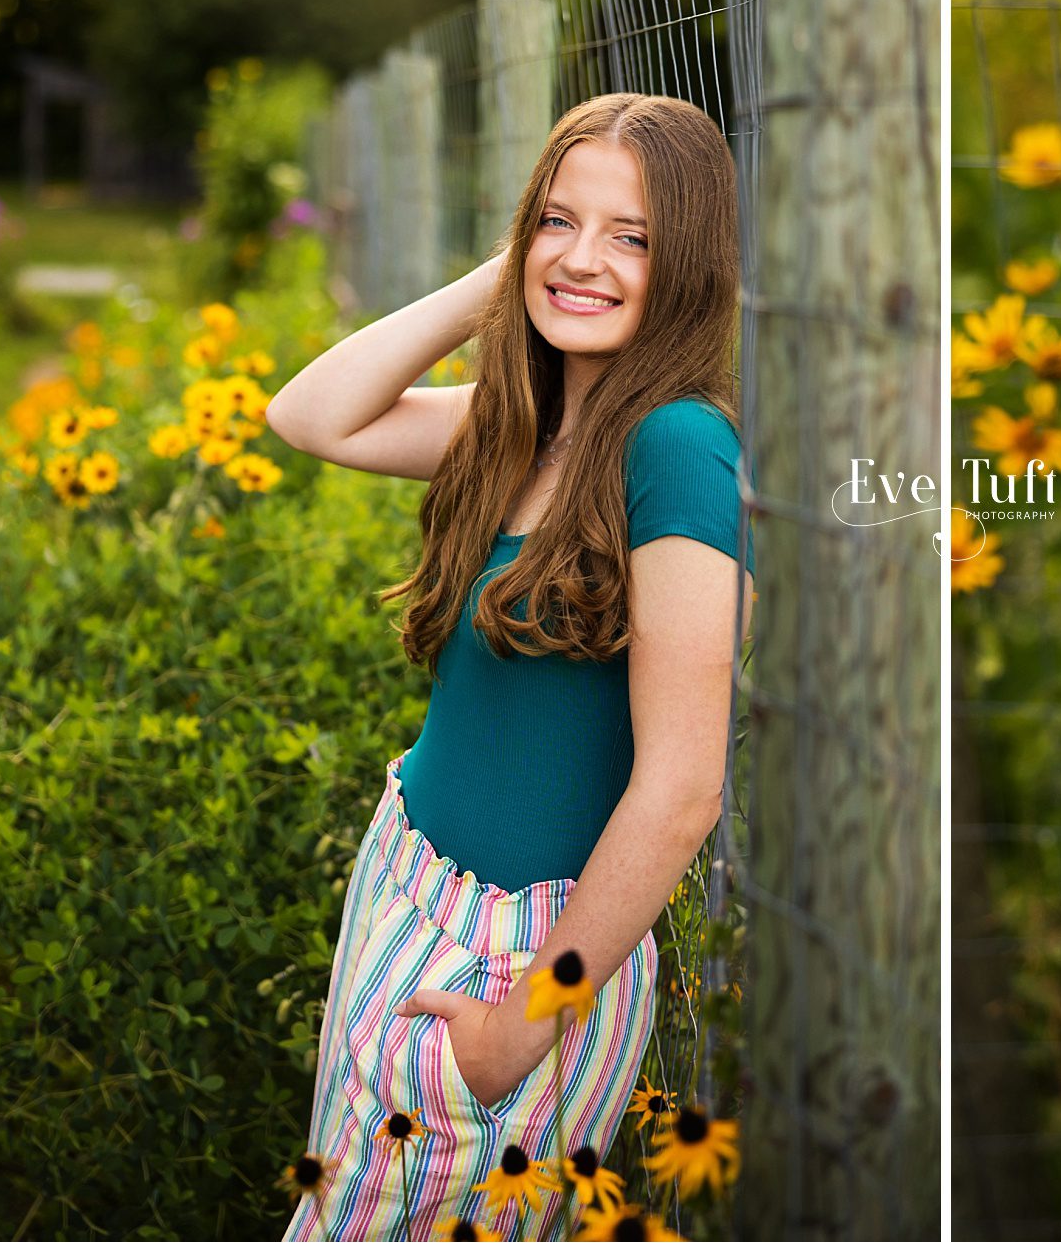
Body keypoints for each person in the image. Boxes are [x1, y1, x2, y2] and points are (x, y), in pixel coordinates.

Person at [267, 93, 755, 1239]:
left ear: (687, 263)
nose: (584, 259)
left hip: (516, 955)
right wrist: (514, 276)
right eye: (559, 218)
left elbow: (682, 790)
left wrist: (523, 1022)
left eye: (629, 236)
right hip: (408, 880)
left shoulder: (676, 446)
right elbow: (311, 415)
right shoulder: (524, 424)